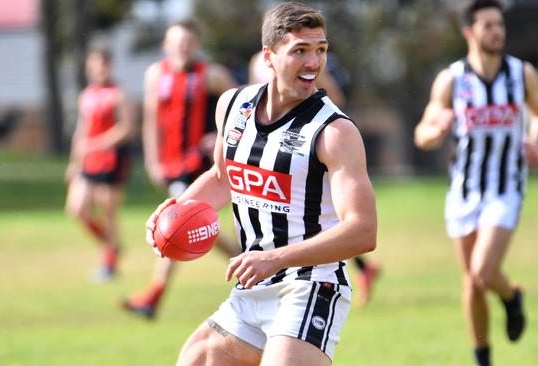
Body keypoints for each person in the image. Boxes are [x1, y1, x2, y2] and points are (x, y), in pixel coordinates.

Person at [145, 2, 377, 365]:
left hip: (311, 286)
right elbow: (222, 177)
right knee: (195, 359)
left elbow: (363, 232)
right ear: (269, 56)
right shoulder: (233, 105)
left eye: (321, 50)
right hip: (254, 287)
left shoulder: (335, 132)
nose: (314, 63)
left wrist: (274, 258)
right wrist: (175, 212)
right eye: (300, 51)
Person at [413, 1, 538, 365]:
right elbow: (422, 134)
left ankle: (511, 297)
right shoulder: (452, 79)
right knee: (472, 282)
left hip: (506, 188)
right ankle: (483, 357)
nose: (497, 32)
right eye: (488, 25)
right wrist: (436, 130)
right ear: (469, 32)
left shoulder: (521, 74)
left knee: (483, 270)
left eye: (499, 25)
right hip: (464, 190)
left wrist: (536, 144)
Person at [121, 20, 240, 319]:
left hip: (200, 165)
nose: (182, 47)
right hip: (171, 162)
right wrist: (152, 159)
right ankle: (258, 264)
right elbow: (151, 119)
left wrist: (220, 134)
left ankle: (153, 296)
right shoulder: (155, 75)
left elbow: (242, 110)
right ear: (166, 45)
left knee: (177, 225)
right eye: (177, 42)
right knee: (197, 226)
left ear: (197, 45)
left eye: (188, 42)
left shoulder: (212, 75)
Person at [248, 48, 380, 306]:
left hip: (311, 153)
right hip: (272, 156)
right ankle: (364, 269)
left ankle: (352, 271)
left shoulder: (313, 70)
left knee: (321, 219)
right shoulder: (257, 64)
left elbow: (335, 98)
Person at [64, 48, 136, 282]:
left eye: (104, 64)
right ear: (88, 67)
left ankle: (109, 264)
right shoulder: (86, 95)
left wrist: (96, 144)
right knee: (76, 208)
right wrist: (75, 161)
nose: (100, 69)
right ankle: (112, 245)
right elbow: (81, 130)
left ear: (110, 66)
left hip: (112, 160)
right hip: (89, 161)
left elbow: (126, 129)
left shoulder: (119, 94)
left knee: (108, 212)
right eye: (95, 64)